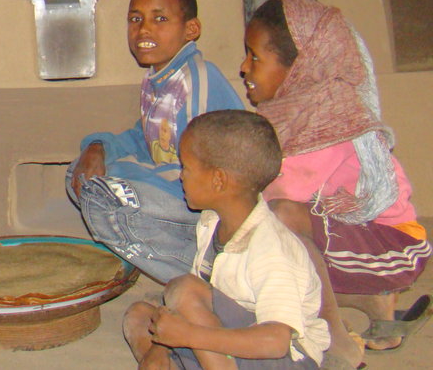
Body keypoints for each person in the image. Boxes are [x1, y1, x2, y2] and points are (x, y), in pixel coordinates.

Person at [242, 0, 431, 368]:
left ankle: (334, 338)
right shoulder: (298, 108)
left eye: (255, 57)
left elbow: (279, 194)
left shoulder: (327, 120)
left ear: (301, 69)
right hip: (359, 236)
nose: (244, 67)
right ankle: (373, 302)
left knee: (278, 219)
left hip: (393, 243)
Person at [66, 0, 244, 283]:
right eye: (136, 19)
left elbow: (206, 168)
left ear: (191, 29)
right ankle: (187, 264)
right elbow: (144, 136)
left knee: (104, 193)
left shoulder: (197, 79)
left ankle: (209, 274)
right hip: (172, 189)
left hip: (203, 202)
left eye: (159, 18)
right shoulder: (156, 80)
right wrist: (97, 148)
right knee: (79, 175)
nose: (144, 29)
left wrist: (125, 173)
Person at [123, 110, 330, 369]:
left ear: (218, 180)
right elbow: (201, 304)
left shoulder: (271, 249)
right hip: (229, 346)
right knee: (140, 316)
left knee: (184, 289)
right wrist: (162, 346)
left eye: (186, 167)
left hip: (283, 357)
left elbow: (275, 342)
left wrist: (187, 335)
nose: (181, 175)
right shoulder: (211, 222)